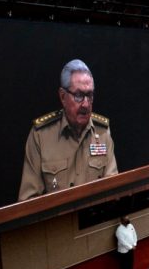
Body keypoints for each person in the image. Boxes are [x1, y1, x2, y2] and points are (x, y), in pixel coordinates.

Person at [19, 59, 118, 201]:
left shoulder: (103, 133)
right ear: (63, 96)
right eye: (78, 96)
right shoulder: (41, 136)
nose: (85, 104)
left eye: (89, 95)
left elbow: (114, 190)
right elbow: (28, 203)